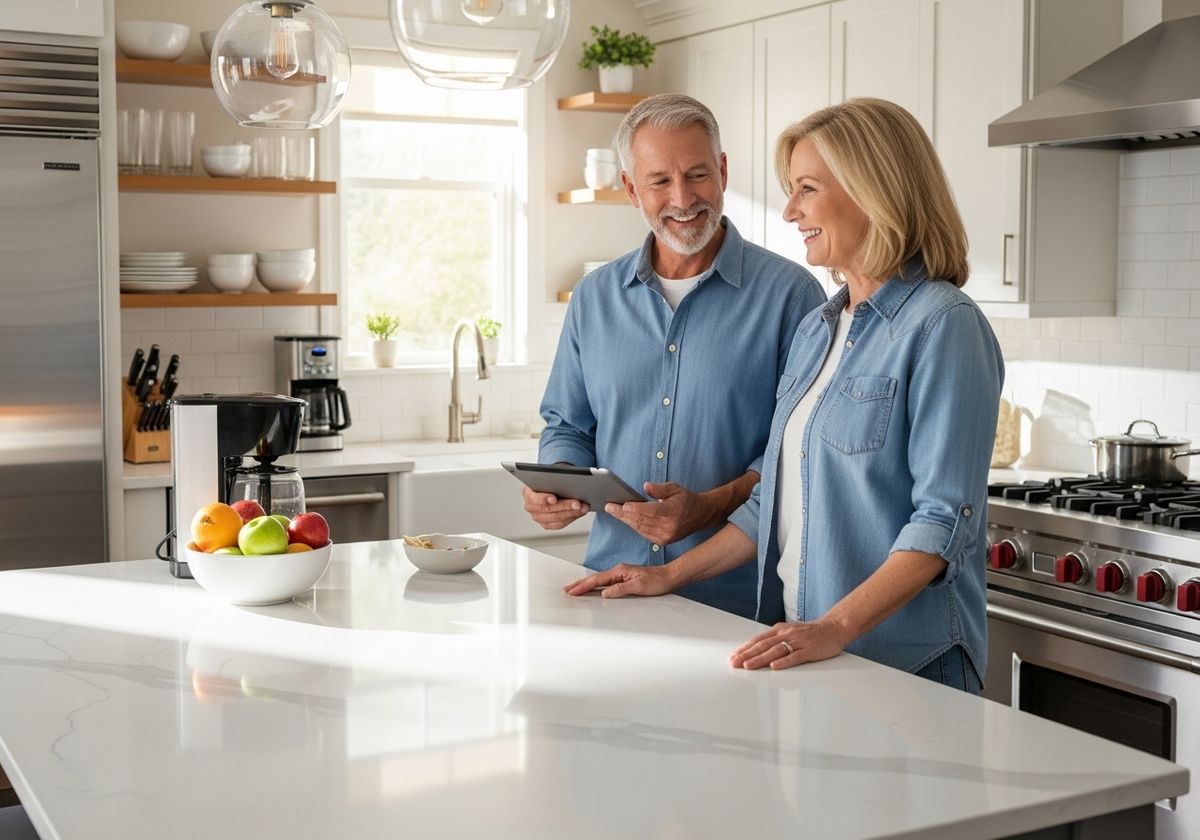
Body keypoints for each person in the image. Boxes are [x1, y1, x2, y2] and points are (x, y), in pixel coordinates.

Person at [564, 97, 1003, 694]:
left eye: (806, 189)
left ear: (872, 188)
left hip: (907, 661)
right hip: (816, 649)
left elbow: (945, 522)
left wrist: (835, 626)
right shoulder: (823, 327)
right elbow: (773, 498)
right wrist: (667, 578)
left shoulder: (943, 324)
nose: (791, 210)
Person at [529, 94, 826, 619]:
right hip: (611, 591)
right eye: (660, 181)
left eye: (697, 174)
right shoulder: (594, 297)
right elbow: (568, 425)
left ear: (724, 170)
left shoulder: (792, 297)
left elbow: (798, 458)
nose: (683, 198)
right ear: (629, 188)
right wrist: (556, 479)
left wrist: (709, 506)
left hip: (739, 607)